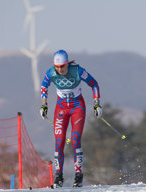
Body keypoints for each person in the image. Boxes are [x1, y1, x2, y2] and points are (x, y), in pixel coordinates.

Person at [40, 50, 102, 188]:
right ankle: (59, 177)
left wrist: (97, 104)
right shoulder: (51, 72)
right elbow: (44, 86)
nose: (60, 69)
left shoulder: (78, 71)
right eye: (57, 66)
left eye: (62, 66)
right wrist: (44, 105)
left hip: (77, 107)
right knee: (59, 141)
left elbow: (94, 84)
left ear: (67, 63)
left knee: (74, 139)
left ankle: (78, 175)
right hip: (61, 108)